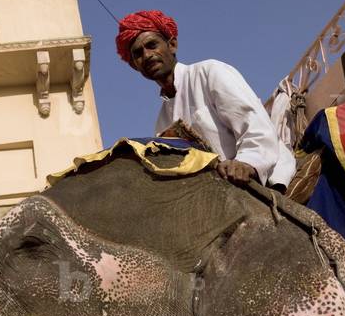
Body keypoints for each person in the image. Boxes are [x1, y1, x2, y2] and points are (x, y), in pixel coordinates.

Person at [116, 10, 296, 190]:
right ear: (134, 66)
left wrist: (247, 162)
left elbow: (256, 125)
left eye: (152, 45)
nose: (147, 55)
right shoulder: (161, 124)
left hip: (266, 177)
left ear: (172, 45)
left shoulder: (210, 72)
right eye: (138, 54)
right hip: (219, 193)